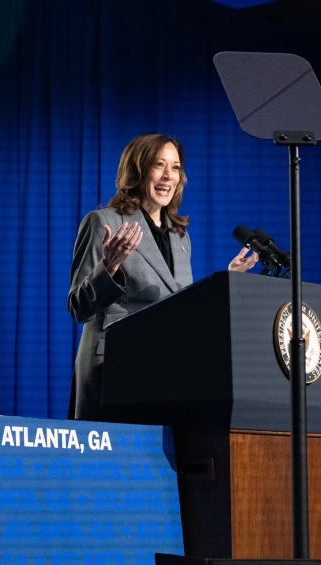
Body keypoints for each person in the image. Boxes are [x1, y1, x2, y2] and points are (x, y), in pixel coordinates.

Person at [68, 133, 257, 419]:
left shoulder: (180, 236)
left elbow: (181, 308)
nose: (168, 176)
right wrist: (109, 268)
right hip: (113, 370)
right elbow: (78, 307)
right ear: (137, 170)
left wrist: (227, 281)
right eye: (159, 165)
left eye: (176, 167)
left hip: (165, 373)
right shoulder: (104, 222)